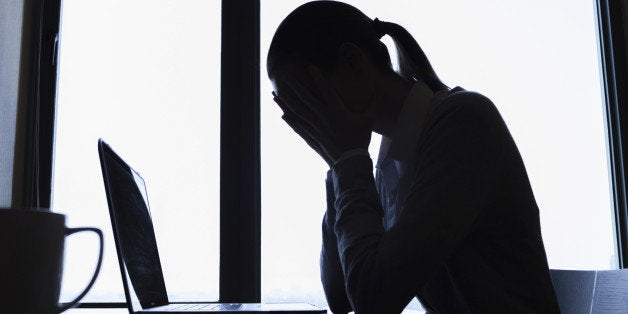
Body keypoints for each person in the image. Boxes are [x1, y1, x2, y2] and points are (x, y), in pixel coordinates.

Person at [267, 1, 560, 313]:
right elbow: (341, 297)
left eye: (305, 100)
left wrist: (347, 161)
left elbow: (373, 299)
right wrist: (338, 165)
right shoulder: (389, 160)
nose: (306, 120)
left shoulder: (463, 124)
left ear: (353, 63)